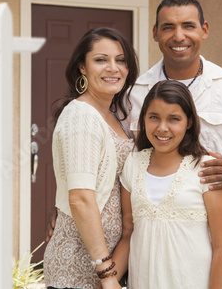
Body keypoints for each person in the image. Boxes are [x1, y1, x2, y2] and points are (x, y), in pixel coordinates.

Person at [123, 0, 222, 288]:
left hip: (219, 253)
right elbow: (120, 161)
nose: (178, 35)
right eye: (168, 27)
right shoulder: (136, 92)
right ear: (155, 33)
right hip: (151, 255)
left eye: (188, 26)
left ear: (204, 30)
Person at [43, 27, 139, 289]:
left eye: (120, 60)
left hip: (106, 263)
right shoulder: (81, 115)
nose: (113, 68)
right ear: (82, 68)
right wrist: (107, 274)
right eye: (100, 60)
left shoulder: (114, 116)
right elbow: (81, 198)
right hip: (78, 267)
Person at [117, 80, 222, 288]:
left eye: (174, 119)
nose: (162, 128)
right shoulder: (133, 165)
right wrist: (106, 278)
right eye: (154, 117)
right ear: (143, 119)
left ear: (188, 122)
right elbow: (128, 234)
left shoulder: (208, 169)